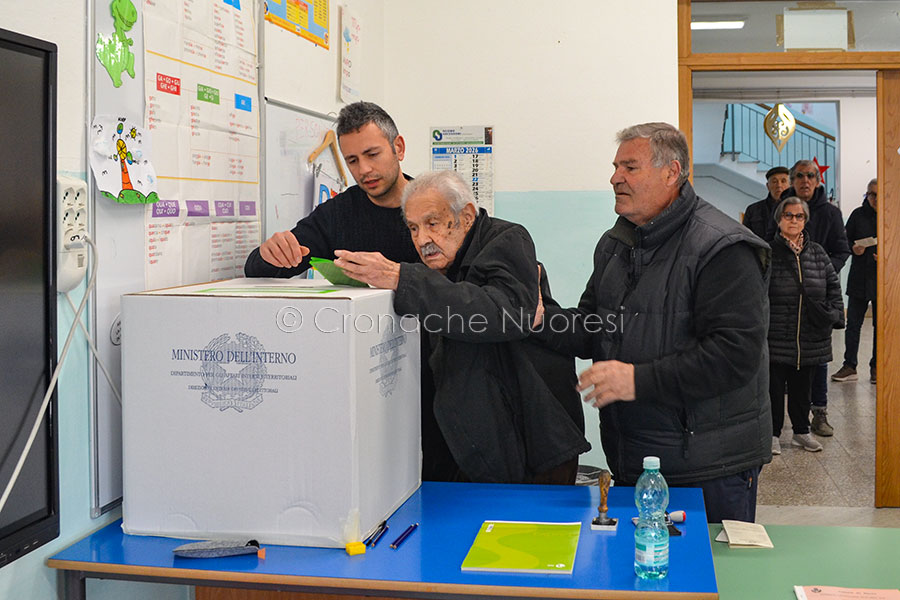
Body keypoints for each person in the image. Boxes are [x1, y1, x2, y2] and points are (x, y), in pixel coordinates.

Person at [534, 122, 772, 523]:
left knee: (710, 581)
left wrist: (636, 381)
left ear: (671, 172)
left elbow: (734, 357)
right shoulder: (616, 244)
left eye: (629, 167)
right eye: (615, 167)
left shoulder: (722, 248)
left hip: (710, 469)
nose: (615, 178)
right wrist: (541, 319)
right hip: (636, 462)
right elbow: (594, 327)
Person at [333, 170, 591, 484]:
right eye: (413, 228)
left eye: (432, 223)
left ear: (466, 216)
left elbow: (504, 313)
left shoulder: (506, 239)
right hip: (473, 443)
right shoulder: (437, 266)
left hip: (533, 442)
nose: (422, 239)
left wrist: (403, 279)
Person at [244, 101, 418, 277]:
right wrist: (269, 255)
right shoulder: (338, 214)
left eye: (372, 155)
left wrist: (399, 276)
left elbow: (446, 286)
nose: (364, 169)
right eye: (352, 160)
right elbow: (259, 271)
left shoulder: (436, 206)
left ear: (399, 148)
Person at [767, 197, 844, 455]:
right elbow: (755, 293)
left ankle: (802, 431)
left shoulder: (818, 253)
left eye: (799, 216)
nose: (794, 220)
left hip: (810, 335)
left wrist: (834, 314)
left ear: (805, 221)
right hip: (776, 334)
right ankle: (773, 434)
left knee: (803, 387)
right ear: (779, 219)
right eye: (788, 215)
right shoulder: (767, 252)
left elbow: (833, 287)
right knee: (774, 389)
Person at [781, 160, 850, 437]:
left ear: (818, 180)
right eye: (800, 176)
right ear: (792, 179)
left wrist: (819, 274)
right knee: (782, 359)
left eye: (811, 175)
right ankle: (784, 422)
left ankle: (819, 413)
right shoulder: (781, 209)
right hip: (784, 301)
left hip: (817, 300)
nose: (806, 180)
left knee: (818, 359)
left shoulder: (831, 214)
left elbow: (842, 250)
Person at [832, 179, 878, 385]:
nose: (875, 198)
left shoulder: (893, 212)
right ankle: (850, 365)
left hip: (883, 279)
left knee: (881, 326)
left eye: (878, 194)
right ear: (866, 195)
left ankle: (877, 366)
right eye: (871, 194)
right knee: (854, 325)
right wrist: (854, 247)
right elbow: (844, 240)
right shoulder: (857, 215)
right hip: (860, 277)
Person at [742, 166, 791, 241]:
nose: (779, 185)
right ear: (768, 186)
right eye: (774, 182)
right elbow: (746, 237)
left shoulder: (800, 209)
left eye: (783, 181)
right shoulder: (753, 210)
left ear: (790, 185)